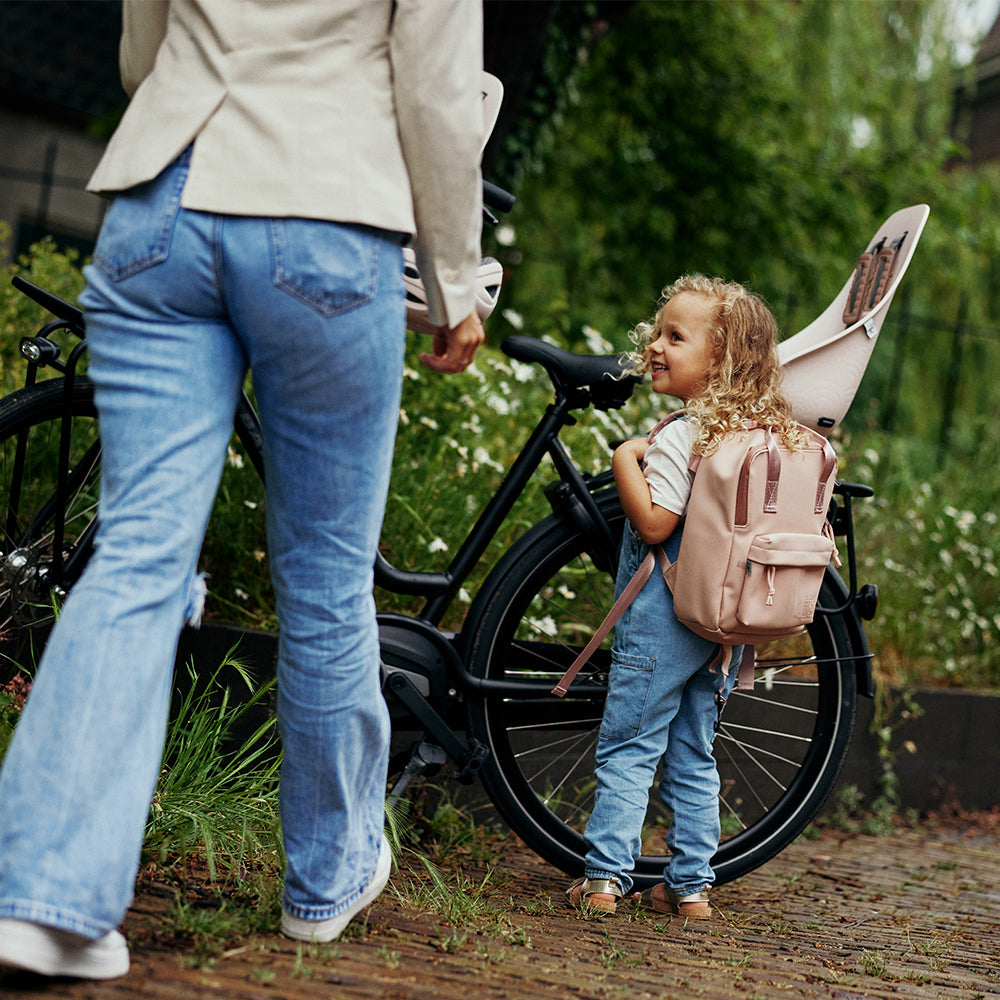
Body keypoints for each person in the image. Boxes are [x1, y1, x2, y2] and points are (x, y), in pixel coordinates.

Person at [0, 0, 485, 980]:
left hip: (161, 202)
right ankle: (327, 876)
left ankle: (39, 897)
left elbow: (144, 46)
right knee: (323, 575)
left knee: (135, 553)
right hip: (326, 210)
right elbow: (434, 86)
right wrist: (454, 279)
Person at [565, 275, 803, 919]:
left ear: (720, 360)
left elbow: (654, 525)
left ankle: (604, 879)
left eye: (676, 336)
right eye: (658, 332)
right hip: (720, 628)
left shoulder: (681, 434)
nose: (656, 346)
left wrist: (622, 460)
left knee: (630, 744)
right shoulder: (752, 436)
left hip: (660, 617)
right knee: (694, 753)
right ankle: (692, 885)